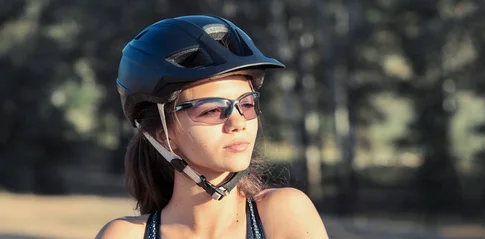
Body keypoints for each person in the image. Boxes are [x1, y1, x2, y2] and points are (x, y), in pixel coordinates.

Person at [95, 15, 329, 239]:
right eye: (211, 110)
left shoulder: (284, 213)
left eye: (246, 104)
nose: (238, 123)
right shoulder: (124, 235)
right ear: (164, 136)